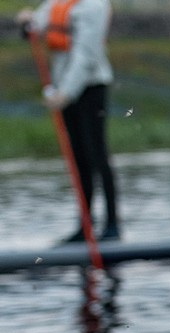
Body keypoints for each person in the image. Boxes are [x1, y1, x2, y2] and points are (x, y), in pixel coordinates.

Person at [16, 0, 120, 242]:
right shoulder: (58, 2)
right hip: (65, 89)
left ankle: (112, 225)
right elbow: (36, 27)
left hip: (91, 88)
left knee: (97, 155)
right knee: (78, 158)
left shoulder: (95, 6)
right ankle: (84, 226)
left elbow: (86, 55)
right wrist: (26, 22)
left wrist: (66, 93)